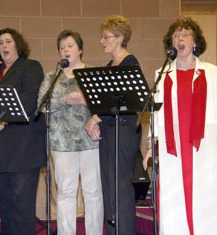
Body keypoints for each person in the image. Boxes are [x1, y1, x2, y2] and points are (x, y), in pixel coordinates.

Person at [142, 17, 217, 235]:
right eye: (176, 35)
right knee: (174, 197)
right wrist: (151, 145)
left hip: (202, 144)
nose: (180, 39)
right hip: (173, 144)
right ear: (170, 43)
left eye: (185, 34)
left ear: (195, 43)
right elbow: (157, 113)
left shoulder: (210, 72)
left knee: (204, 196)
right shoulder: (161, 74)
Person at [37, 30, 104, 235]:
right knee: (66, 192)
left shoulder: (92, 73)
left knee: (93, 192)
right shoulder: (52, 76)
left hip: (90, 141)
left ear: (80, 49)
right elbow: (41, 104)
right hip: (61, 143)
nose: (65, 50)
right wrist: (64, 101)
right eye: (62, 47)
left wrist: (84, 100)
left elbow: (104, 104)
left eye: (70, 46)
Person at [0, 28, 46, 235]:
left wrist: (3, 122)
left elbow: (29, 101)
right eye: (0, 43)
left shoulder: (31, 67)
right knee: (4, 206)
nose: (4, 46)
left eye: (8, 42)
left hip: (23, 148)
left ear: (17, 44)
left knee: (22, 205)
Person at [85, 15, 141, 235]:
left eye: (106, 37)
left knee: (120, 189)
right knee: (109, 189)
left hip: (125, 130)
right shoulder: (110, 65)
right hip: (110, 130)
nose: (102, 41)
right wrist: (98, 122)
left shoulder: (130, 62)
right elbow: (102, 103)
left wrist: (95, 119)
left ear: (120, 38)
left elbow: (124, 101)